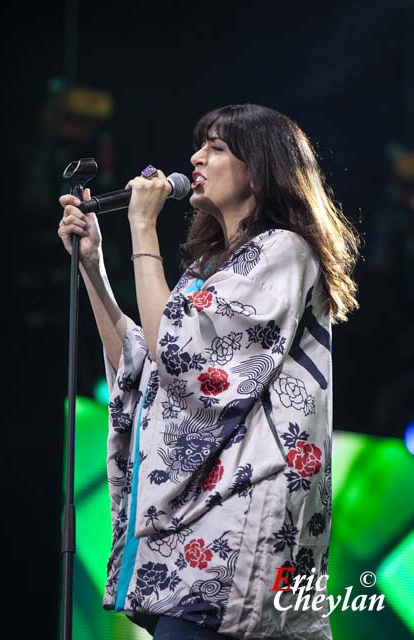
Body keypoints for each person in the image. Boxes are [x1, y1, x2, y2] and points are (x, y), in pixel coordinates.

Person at [58, 104, 361, 640]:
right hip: (196, 541)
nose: (196, 157)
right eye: (200, 145)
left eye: (217, 147)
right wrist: (93, 267)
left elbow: (182, 359)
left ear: (262, 168)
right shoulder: (210, 269)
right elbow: (146, 361)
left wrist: (142, 227)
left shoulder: (284, 251)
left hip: (240, 538)